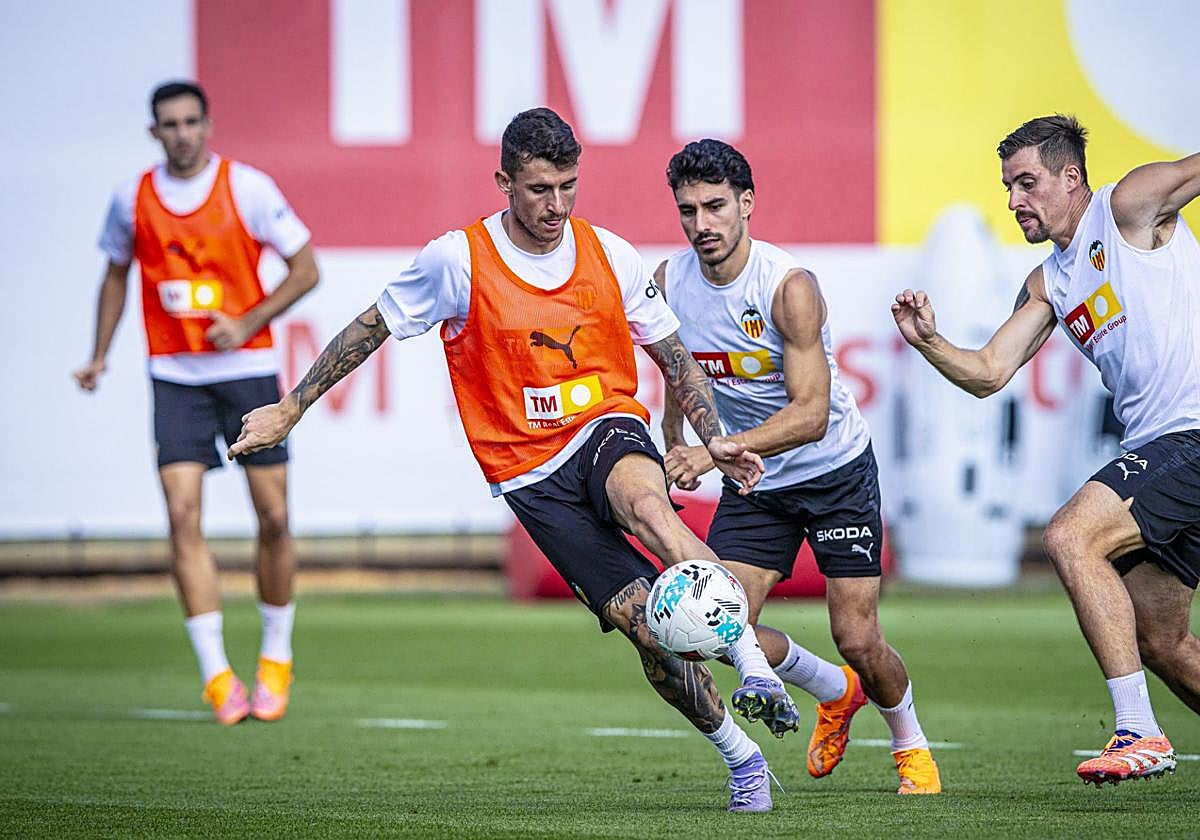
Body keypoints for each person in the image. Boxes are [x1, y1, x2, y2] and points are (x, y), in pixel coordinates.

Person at [228, 107, 793, 812]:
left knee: (646, 504)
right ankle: (740, 757)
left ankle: (751, 666)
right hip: (529, 476)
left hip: (605, 426)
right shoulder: (455, 260)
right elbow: (370, 327)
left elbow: (675, 359)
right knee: (647, 630)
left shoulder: (609, 254)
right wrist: (292, 408)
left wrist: (711, 438)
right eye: (538, 189)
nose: (556, 205)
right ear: (503, 182)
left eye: (568, 186)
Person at [893, 114, 1198, 785]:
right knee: (1160, 640)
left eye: (1026, 183)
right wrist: (929, 340)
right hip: (1164, 452)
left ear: (1070, 178)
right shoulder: (1049, 281)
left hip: (1193, 435)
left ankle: (1139, 732)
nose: (1013, 201)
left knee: (1069, 536)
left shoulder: (1128, 207)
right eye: (1006, 187)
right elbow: (989, 373)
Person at [657, 139, 943, 794]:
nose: (702, 224)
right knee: (719, 629)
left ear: (747, 204)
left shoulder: (788, 288)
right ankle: (834, 693)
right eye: (688, 210)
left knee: (858, 636)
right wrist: (677, 440)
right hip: (755, 481)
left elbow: (811, 414)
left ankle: (910, 742)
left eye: (715, 206)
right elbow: (676, 366)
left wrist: (714, 450)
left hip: (834, 471)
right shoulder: (671, 282)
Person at [74, 81, 319, 725]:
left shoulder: (249, 188)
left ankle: (275, 655)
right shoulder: (131, 198)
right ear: (153, 132)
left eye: (190, 122)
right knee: (183, 517)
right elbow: (115, 274)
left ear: (209, 124)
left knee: (273, 517)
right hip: (174, 377)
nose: (181, 133)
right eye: (168, 124)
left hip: (247, 371)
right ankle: (216, 672)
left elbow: (306, 270)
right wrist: (99, 354)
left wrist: (246, 321)